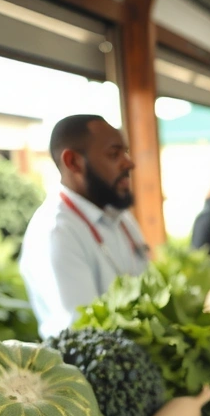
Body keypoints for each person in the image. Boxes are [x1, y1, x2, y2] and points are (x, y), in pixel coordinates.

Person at [20, 114, 148, 338]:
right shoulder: (55, 232)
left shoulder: (120, 217)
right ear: (73, 162)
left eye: (125, 152)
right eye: (114, 154)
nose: (129, 162)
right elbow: (83, 335)